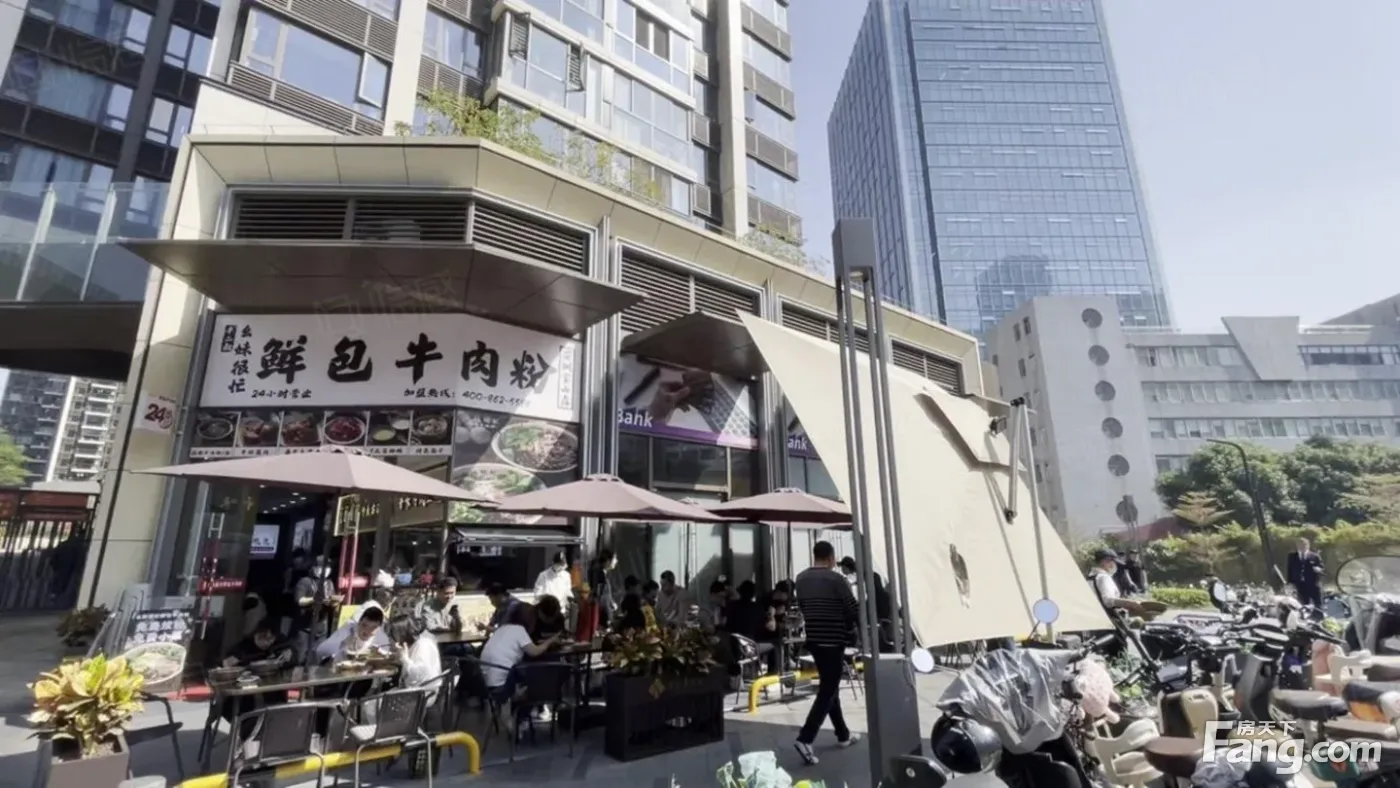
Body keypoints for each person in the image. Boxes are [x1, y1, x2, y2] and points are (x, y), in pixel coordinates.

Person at [793, 541, 861, 764]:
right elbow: (852, 610)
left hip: (815, 640)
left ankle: (843, 734)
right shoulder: (837, 580)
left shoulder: (800, 579)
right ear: (831, 558)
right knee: (828, 689)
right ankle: (806, 737)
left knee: (830, 687)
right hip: (834, 640)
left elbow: (803, 607)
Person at [479, 604, 562, 734]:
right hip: (503, 686)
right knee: (535, 687)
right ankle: (519, 722)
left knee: (525, 679)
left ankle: (517, 717)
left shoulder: (503, 628)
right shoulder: (519, 631)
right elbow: (534, 652)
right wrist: (551, 640)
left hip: (486, 683)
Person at [384, 613, 443, 698]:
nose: (389, 640)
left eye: (391, 635)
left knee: (368, 703)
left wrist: (404, 658)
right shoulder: (414, 645)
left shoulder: (423, 645)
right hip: (415, 692)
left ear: (401, 634)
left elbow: (418, 676)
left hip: (421, 696)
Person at [315, 605, 390, 662]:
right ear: (359, 622)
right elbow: (320, 650)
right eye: (364, 625)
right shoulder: (349, 629)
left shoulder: (380, 636)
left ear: (379, 628)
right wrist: (343, 643)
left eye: (373, 628)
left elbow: (387, 654)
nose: (367, 631)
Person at [1288, 538, 1325, 609]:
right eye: (1299, 544)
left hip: (1313, 584)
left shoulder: (1314, 556)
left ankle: (1319, 614)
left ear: (1308, 545)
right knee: (1303, 605)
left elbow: (1322, 568)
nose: (1302, 546)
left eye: (1304, 544)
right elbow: (1290, 570)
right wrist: (1290, 583)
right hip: (1300, 585)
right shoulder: (1292, 556)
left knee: (1318, 604)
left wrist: (1318, 569)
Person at [588, 550, 619, 627]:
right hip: (602, 613)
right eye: (615, 558)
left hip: (604, 611)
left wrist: (611, 602)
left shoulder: (603, 574)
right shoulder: (600, 575)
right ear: (608, 561)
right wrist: (608, 612)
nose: (616, 561)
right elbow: (600, 596)